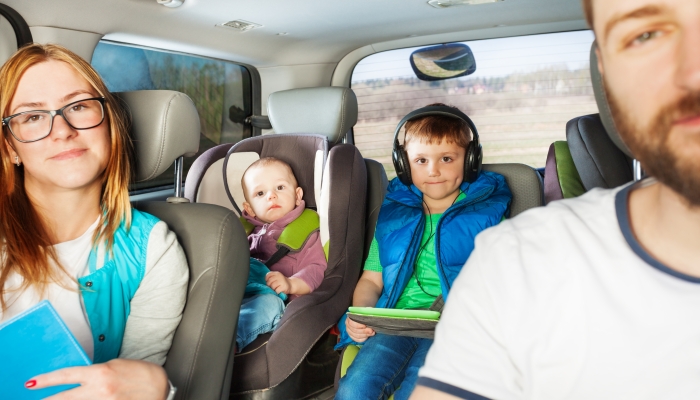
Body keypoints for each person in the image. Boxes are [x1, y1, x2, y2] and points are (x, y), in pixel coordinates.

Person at [412, 0, 700, 399]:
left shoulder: (492, 217)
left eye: (447, 158)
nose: (694, 71)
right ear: (606, 75)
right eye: (644, 35)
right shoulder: (519, 263)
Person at [0, 43, 188, 399]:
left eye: (79, 106)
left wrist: (157, 390)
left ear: (108, 124)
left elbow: (138, 377)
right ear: (10, 147)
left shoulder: (152, 249)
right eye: (33, 116)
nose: (62, 130)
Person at [335, 104, 512, 400]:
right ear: (403, 165)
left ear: (469, 161)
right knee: (354, 388)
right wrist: (364, 316)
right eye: (420, 160)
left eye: (446, 158)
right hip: (396, 322)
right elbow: (371, 281)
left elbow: (505, 281)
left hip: (454, 328)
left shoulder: (488, 216)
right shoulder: (394, 218)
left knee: (419, 391)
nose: (434, 171)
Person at [236, 157, 327, 351]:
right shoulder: (246, 234)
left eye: (279, 188)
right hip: (242, 295)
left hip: (282, 305)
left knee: (267, 305)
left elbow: (317, 269)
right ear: (249, 208)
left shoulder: (307, 231)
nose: (271, 196)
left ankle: (230, 342)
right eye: (260, 193)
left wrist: (291, 283)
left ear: (297, 195)